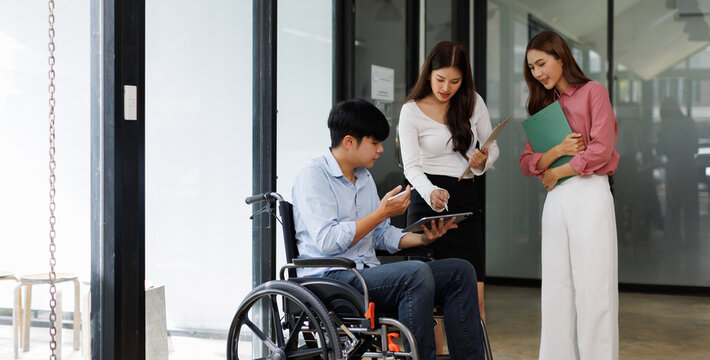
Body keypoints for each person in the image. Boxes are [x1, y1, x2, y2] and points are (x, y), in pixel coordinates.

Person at [292, 98, 485, 360]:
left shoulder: (363, 177)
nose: (381, 150)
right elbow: (328, 241)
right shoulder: (313, 176)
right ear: (349, 142)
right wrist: (381, 213)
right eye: (375, 142)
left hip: (365, 277)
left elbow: (381, 234)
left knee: (460, 270)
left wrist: (422, 238)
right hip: (332, 281)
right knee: (414, 273)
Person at [519, 30, 619, 360]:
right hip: (556, 201)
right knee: (557, 290)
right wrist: (556, 154)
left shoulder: (594, 93)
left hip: (590, 194)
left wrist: (556, 170)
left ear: (561, 58)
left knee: (594, 289)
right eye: (532, 67)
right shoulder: (543, 106)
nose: (537, 73)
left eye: (542, 63)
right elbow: (526, 162)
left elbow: (602, 151)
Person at [399, 41, 499, 322]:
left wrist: (483, 161)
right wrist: (431, 192)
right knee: (427, 304)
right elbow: (411, 167)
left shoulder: (472, 102)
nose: (446, 87)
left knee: (474, 301)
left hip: (465, 204)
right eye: (440, 79)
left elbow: (493, 147)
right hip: (427, 205)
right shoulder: (411, 111)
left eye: (455, 81)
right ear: (428, 73)